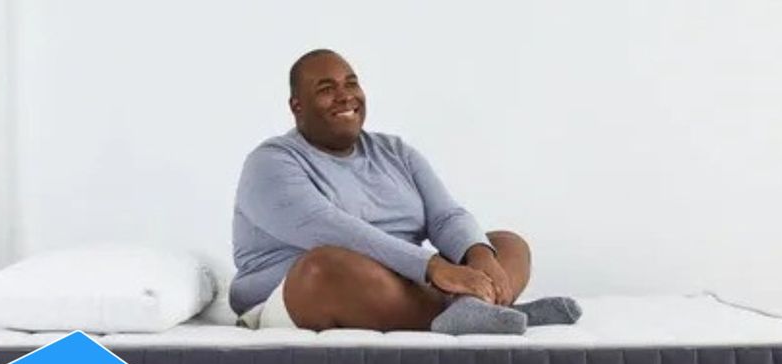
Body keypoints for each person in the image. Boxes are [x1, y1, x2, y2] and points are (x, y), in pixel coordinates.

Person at [230, 48, 581, 334]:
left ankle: (474, 312)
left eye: (351, 83)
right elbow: (330, 227)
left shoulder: (394, 151)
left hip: (404, 281)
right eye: (326, 89)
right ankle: (479, 313)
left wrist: (479, 257)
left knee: (505, 244)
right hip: (303, 289)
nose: (345, 96)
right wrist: (431, 267)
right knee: (323, 265)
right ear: (297, 107)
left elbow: (446, 216)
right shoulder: (270, 163)